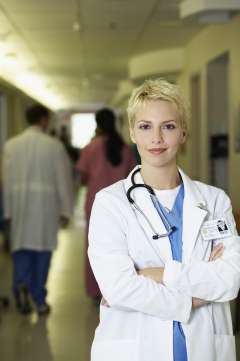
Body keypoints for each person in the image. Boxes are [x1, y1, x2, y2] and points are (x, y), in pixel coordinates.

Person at [88, 79, 240, 361]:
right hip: (135, 349)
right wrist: (193, 298)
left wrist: (158, 274)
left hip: (205, 346)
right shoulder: (110, 203)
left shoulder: (215, 201)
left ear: (183, 132)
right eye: (145, 126)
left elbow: (230, 280)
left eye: (168, 126)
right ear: (132, 132)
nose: (156, 138)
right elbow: (118, 288)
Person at [2, 104, 73, 315]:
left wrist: (7, 213)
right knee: (42, 253)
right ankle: (39, 300)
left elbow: (6, 181)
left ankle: (21, 284)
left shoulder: (11, 145)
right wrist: (66, 211)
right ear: (43, 120)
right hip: (45, 209)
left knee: (21, 249)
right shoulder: (54, 146)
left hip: (19, 208)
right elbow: (63, 180)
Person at [76, 108, 136, 302]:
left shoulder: (91, 148)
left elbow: (83, 178)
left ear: (97, 123)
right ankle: (118, 288)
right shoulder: (125, 148)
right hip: (122, 204)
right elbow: (132, 177)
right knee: (122, 247)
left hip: (95, 204)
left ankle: (96, 291)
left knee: (95, 248)